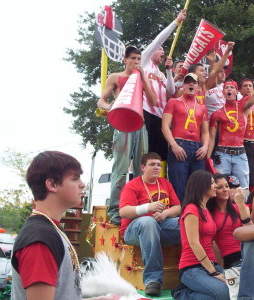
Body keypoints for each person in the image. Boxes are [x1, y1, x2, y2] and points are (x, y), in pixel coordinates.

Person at [11, 151, 113, 300]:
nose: (82, 184)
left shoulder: (51, 229)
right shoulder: (40, 239)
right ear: (52, 184)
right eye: (75, 178)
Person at [97, 46, 157, 225]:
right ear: (125, 60)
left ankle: (140, 206)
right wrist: (111, 108)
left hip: (141, 125)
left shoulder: (141, 78)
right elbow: (101, 101)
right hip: (123, 126)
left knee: (141, 168)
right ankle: (115, 210)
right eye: (133, 58)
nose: (136, 62)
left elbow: (153, 102)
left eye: (139, 59)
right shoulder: (116, 77)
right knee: (121, 168)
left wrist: (144, 78)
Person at [208, 52, 254, 189]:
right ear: (223, 93)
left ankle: (242, 210)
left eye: (232, 87)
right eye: (226, 88)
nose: (229, 89)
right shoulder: (216, 114)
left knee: (243, 189)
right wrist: (207, 158)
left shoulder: (243, 106)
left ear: (237, 92)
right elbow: (212, 139)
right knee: (220, 188)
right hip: (222, 153)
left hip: (240, 153)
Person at [119, 152, 181, 296]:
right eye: (152, 164)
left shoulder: (165, 183)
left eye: (159, 165)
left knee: (185, 222)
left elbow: (178, 208)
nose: (156, 168)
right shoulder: (132, 185)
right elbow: (123, 211)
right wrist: (148, 208)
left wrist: (165, 213)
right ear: (143, 167)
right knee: (148, 222)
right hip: (133, 231)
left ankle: (190, 273)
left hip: (160, 226)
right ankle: (153, 280)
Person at [141, 9, 187, 174]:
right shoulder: (144, 62)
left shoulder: (160, 73)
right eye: (160, 50)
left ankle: (159, 186)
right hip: (146, 112)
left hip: (161, 116)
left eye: (163, 50)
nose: (163, 52)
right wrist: (176, 21)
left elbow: (170, 92)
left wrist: (168, 71)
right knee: (145, 153)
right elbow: (157, 40)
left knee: (160, 156)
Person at [173, 170, 230, 300]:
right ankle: (182, 294)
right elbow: (194, 243)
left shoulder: (206, 210)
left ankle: (188, 291)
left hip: (210, 264)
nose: (215, 186)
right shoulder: (191, 210)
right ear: (201, 187)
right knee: (223, 293)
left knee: (235, 288)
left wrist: (218, 268)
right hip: (192, 268)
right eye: (212, 183)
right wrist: (214, 272)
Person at [162, 73, 209, 201]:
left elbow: (205, 132)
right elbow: (165, 126)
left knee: (198, 187)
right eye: (188, 82)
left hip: (197, 148)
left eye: (194, 82)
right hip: (179, 145)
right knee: (179, 187)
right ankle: (179, 218)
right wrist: (174, 145)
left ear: (198, 87)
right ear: (183, 85)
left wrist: (205, 147)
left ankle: (197, 216)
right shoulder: (173, 102)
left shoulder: (202, 107)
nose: (191, 84)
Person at [207, 174, 253, 269]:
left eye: (227, 186)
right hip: (227, 258)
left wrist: (240, 203)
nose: (225, 190)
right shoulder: (209, 212)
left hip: (245, 253)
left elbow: (250, 229)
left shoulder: (237, 207)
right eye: (220, 187)